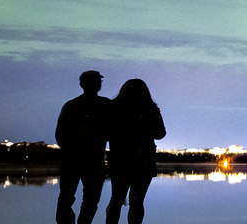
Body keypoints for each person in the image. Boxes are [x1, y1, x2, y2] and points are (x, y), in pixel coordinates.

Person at [105, 78, 166, 224]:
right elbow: (160, 133)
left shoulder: (114, 108)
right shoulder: (150, 109)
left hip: (119, 160)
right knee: (137, 201)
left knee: (117, 199)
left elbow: (106, 133)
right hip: (144, 161)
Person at [56, 70, 113, 224]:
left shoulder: (71, 105)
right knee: (87, 200)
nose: (98, 84)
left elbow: (60, 136)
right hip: (90, 160)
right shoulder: (105, 105)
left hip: (75, 160)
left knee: (70, 198)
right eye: (95, 81)